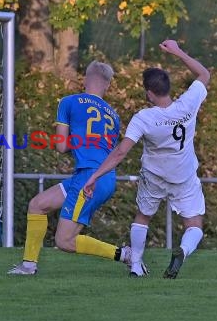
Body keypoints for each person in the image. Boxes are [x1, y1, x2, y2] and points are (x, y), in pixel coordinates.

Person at [83, 39, 210, 279]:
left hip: (154, 176)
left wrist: (94, 176)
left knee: (143, 217)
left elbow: (121, 152)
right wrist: (178, 51)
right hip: (183, 175)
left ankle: (136, 266)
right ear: (168, 88)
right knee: (194, 224)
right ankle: (182, 250)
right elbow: (203, 73)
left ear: (149, 93)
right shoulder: (188, 103)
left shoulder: (144, 117)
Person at [8, 61, 131, 275]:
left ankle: (125, 255)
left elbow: (61, 145)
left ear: (85, 79)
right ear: (108, 85)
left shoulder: (69, 102)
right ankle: (28, 265)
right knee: (38, 204)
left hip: (88, 179)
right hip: (102, 177)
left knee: (65, 241)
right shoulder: (114, 115)